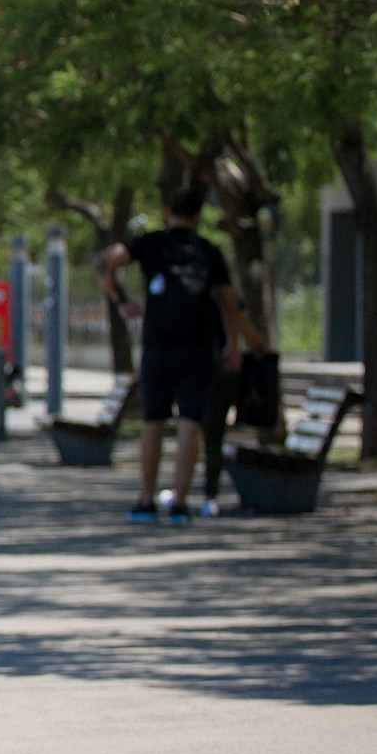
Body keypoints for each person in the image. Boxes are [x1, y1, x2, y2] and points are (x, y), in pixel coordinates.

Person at [96, 189, 271, 523]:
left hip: (158, 346)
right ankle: (179, 503)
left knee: (153, 421)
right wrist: (232, 345)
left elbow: (103, 262)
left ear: (167, 211)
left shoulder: (150, 243)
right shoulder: (208, 250)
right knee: (191, 423)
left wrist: (120, 301)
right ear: (197, 217)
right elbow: (229, 303)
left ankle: (146, 500)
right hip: (198, 349)